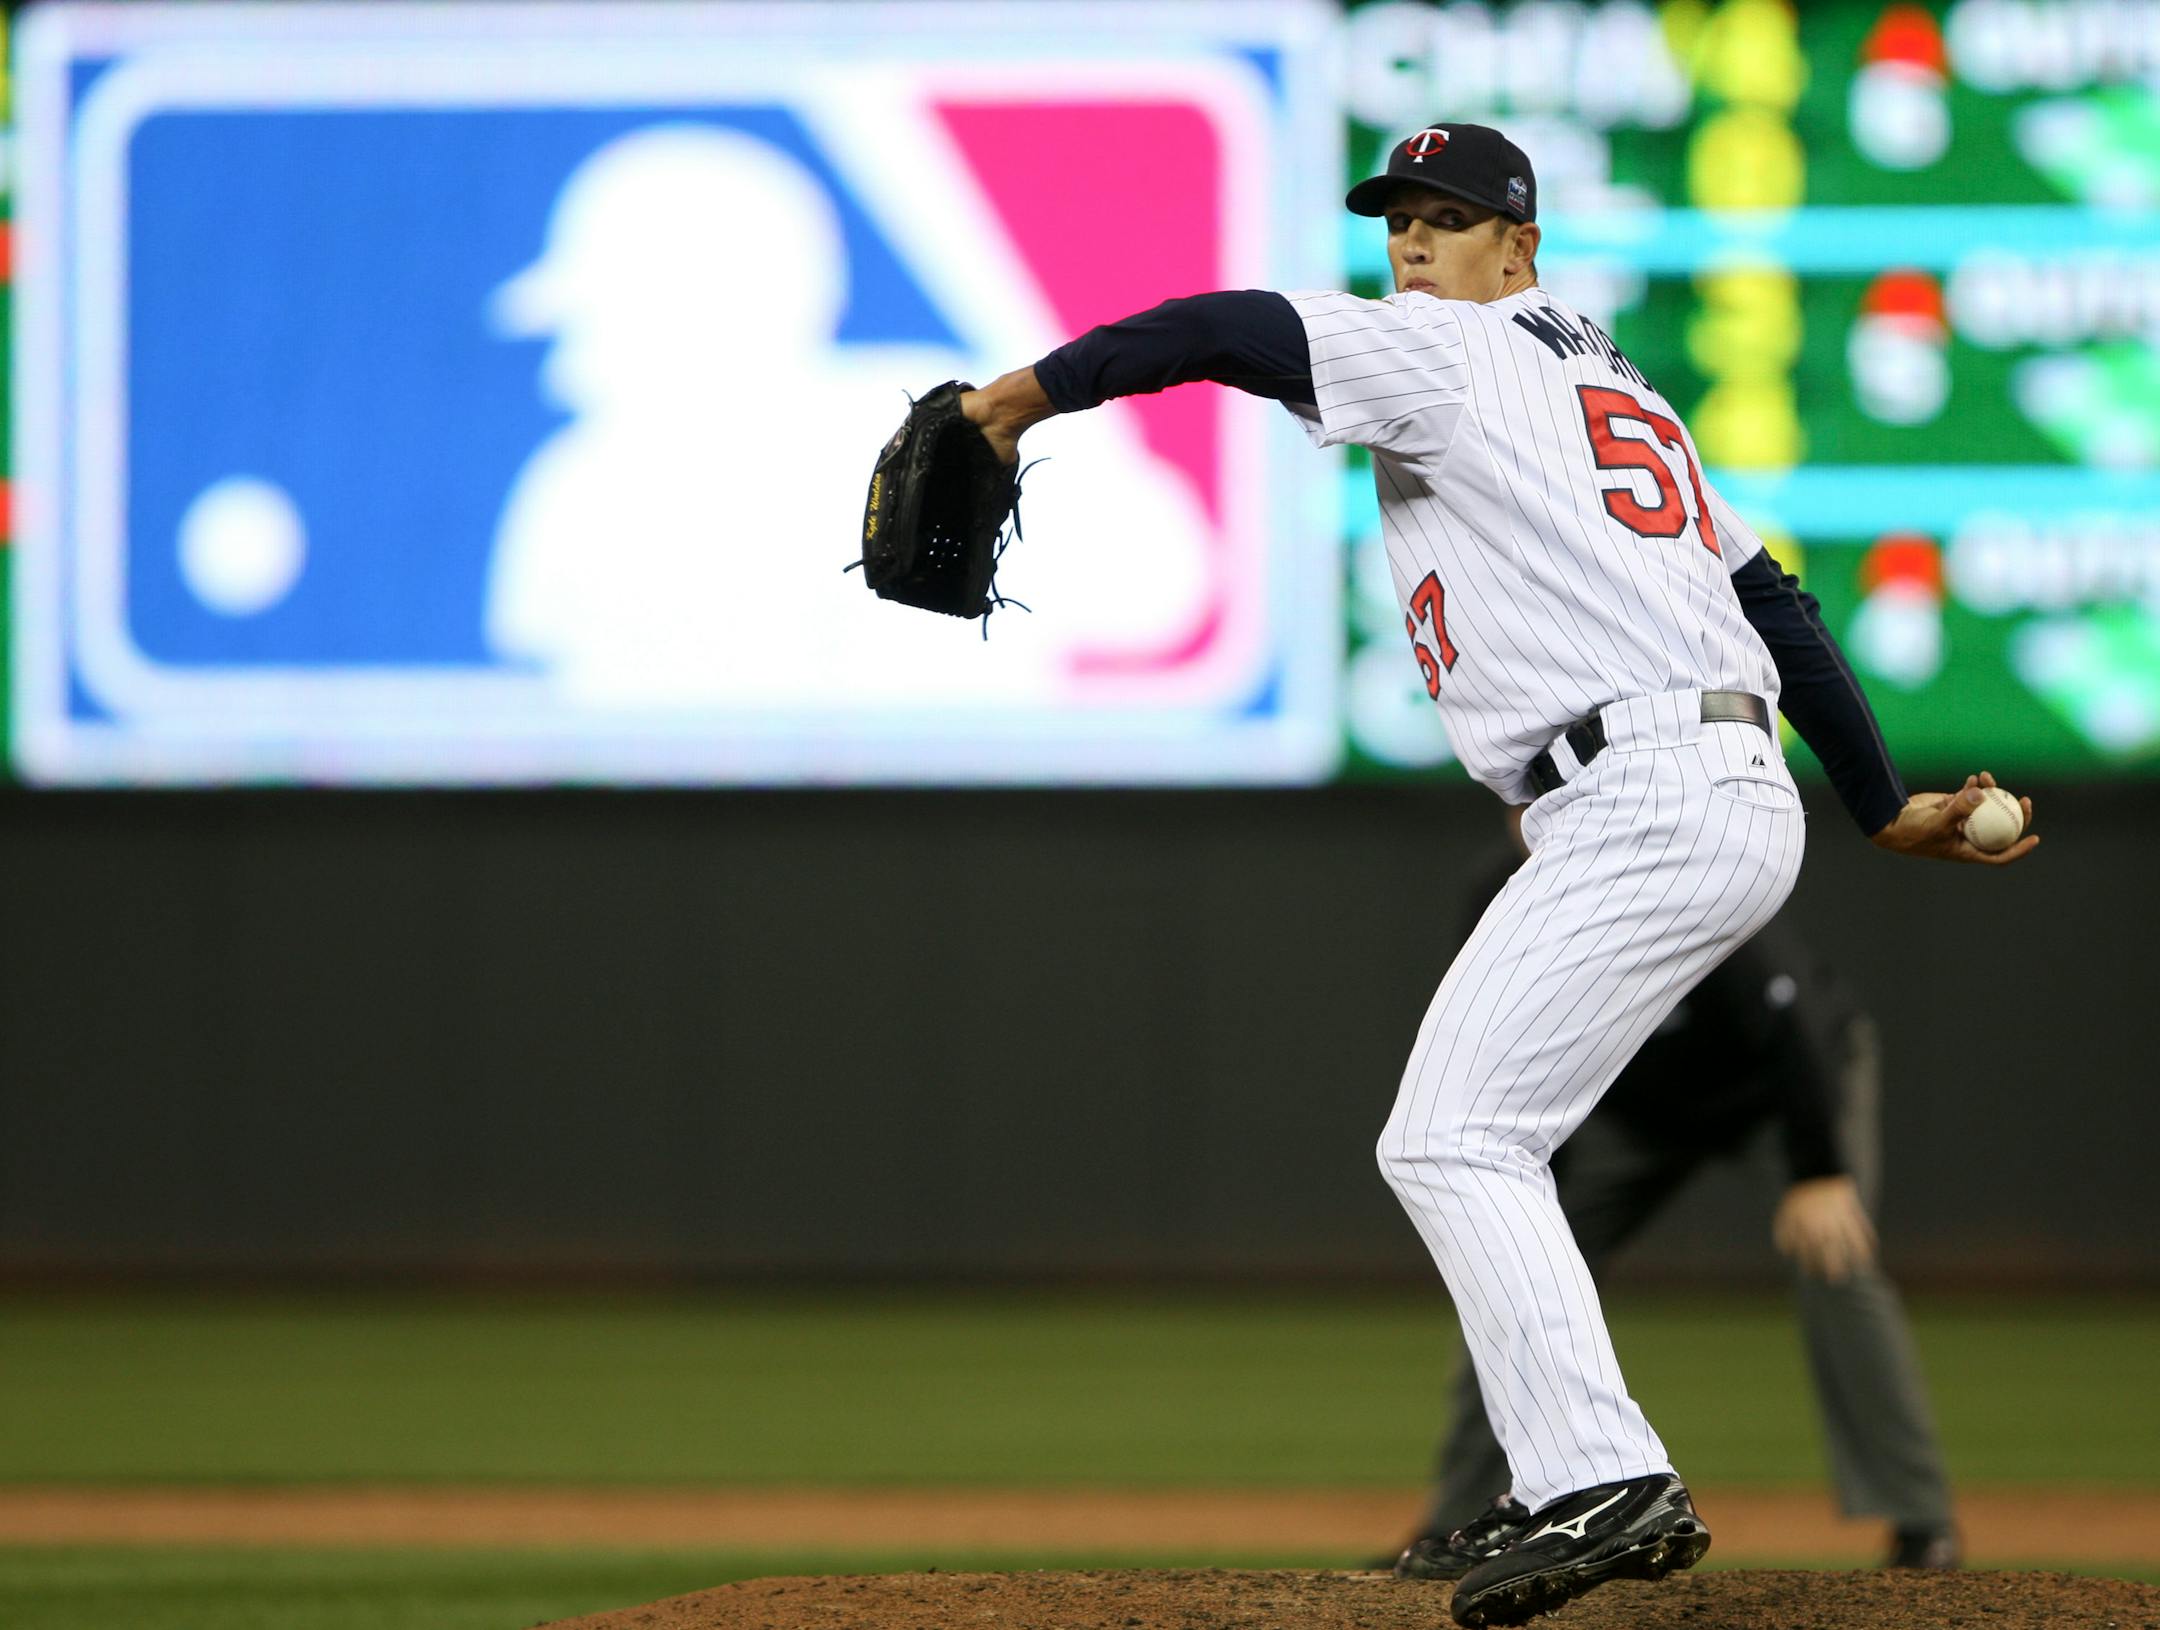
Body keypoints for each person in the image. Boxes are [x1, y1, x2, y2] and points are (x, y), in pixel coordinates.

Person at [949, 121, 2037, 1627]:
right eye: (1399, 217)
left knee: (1452, 1137)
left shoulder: (1441, 351)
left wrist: (1014, 399)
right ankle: (1562, 1476)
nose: (1414, 244)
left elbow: (1220, 330)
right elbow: (1767, 592)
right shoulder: (1608, 382)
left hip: (1649, 788)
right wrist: (1873, 803)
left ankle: (1604, 1477)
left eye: (1450, 220)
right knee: (1468, 1135)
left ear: (1517, 248)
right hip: (1694, 783)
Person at [1381, 825, 1959, 1581]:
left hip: (1780, 1094)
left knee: (1839, 1267)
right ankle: (1464, 1516)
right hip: (1634, 1113)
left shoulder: (1667, 861)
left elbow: (1790, 1015)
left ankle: (1923, 1524)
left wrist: (1819, 1170)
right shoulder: (1501, 889)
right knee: (1506, 1266)